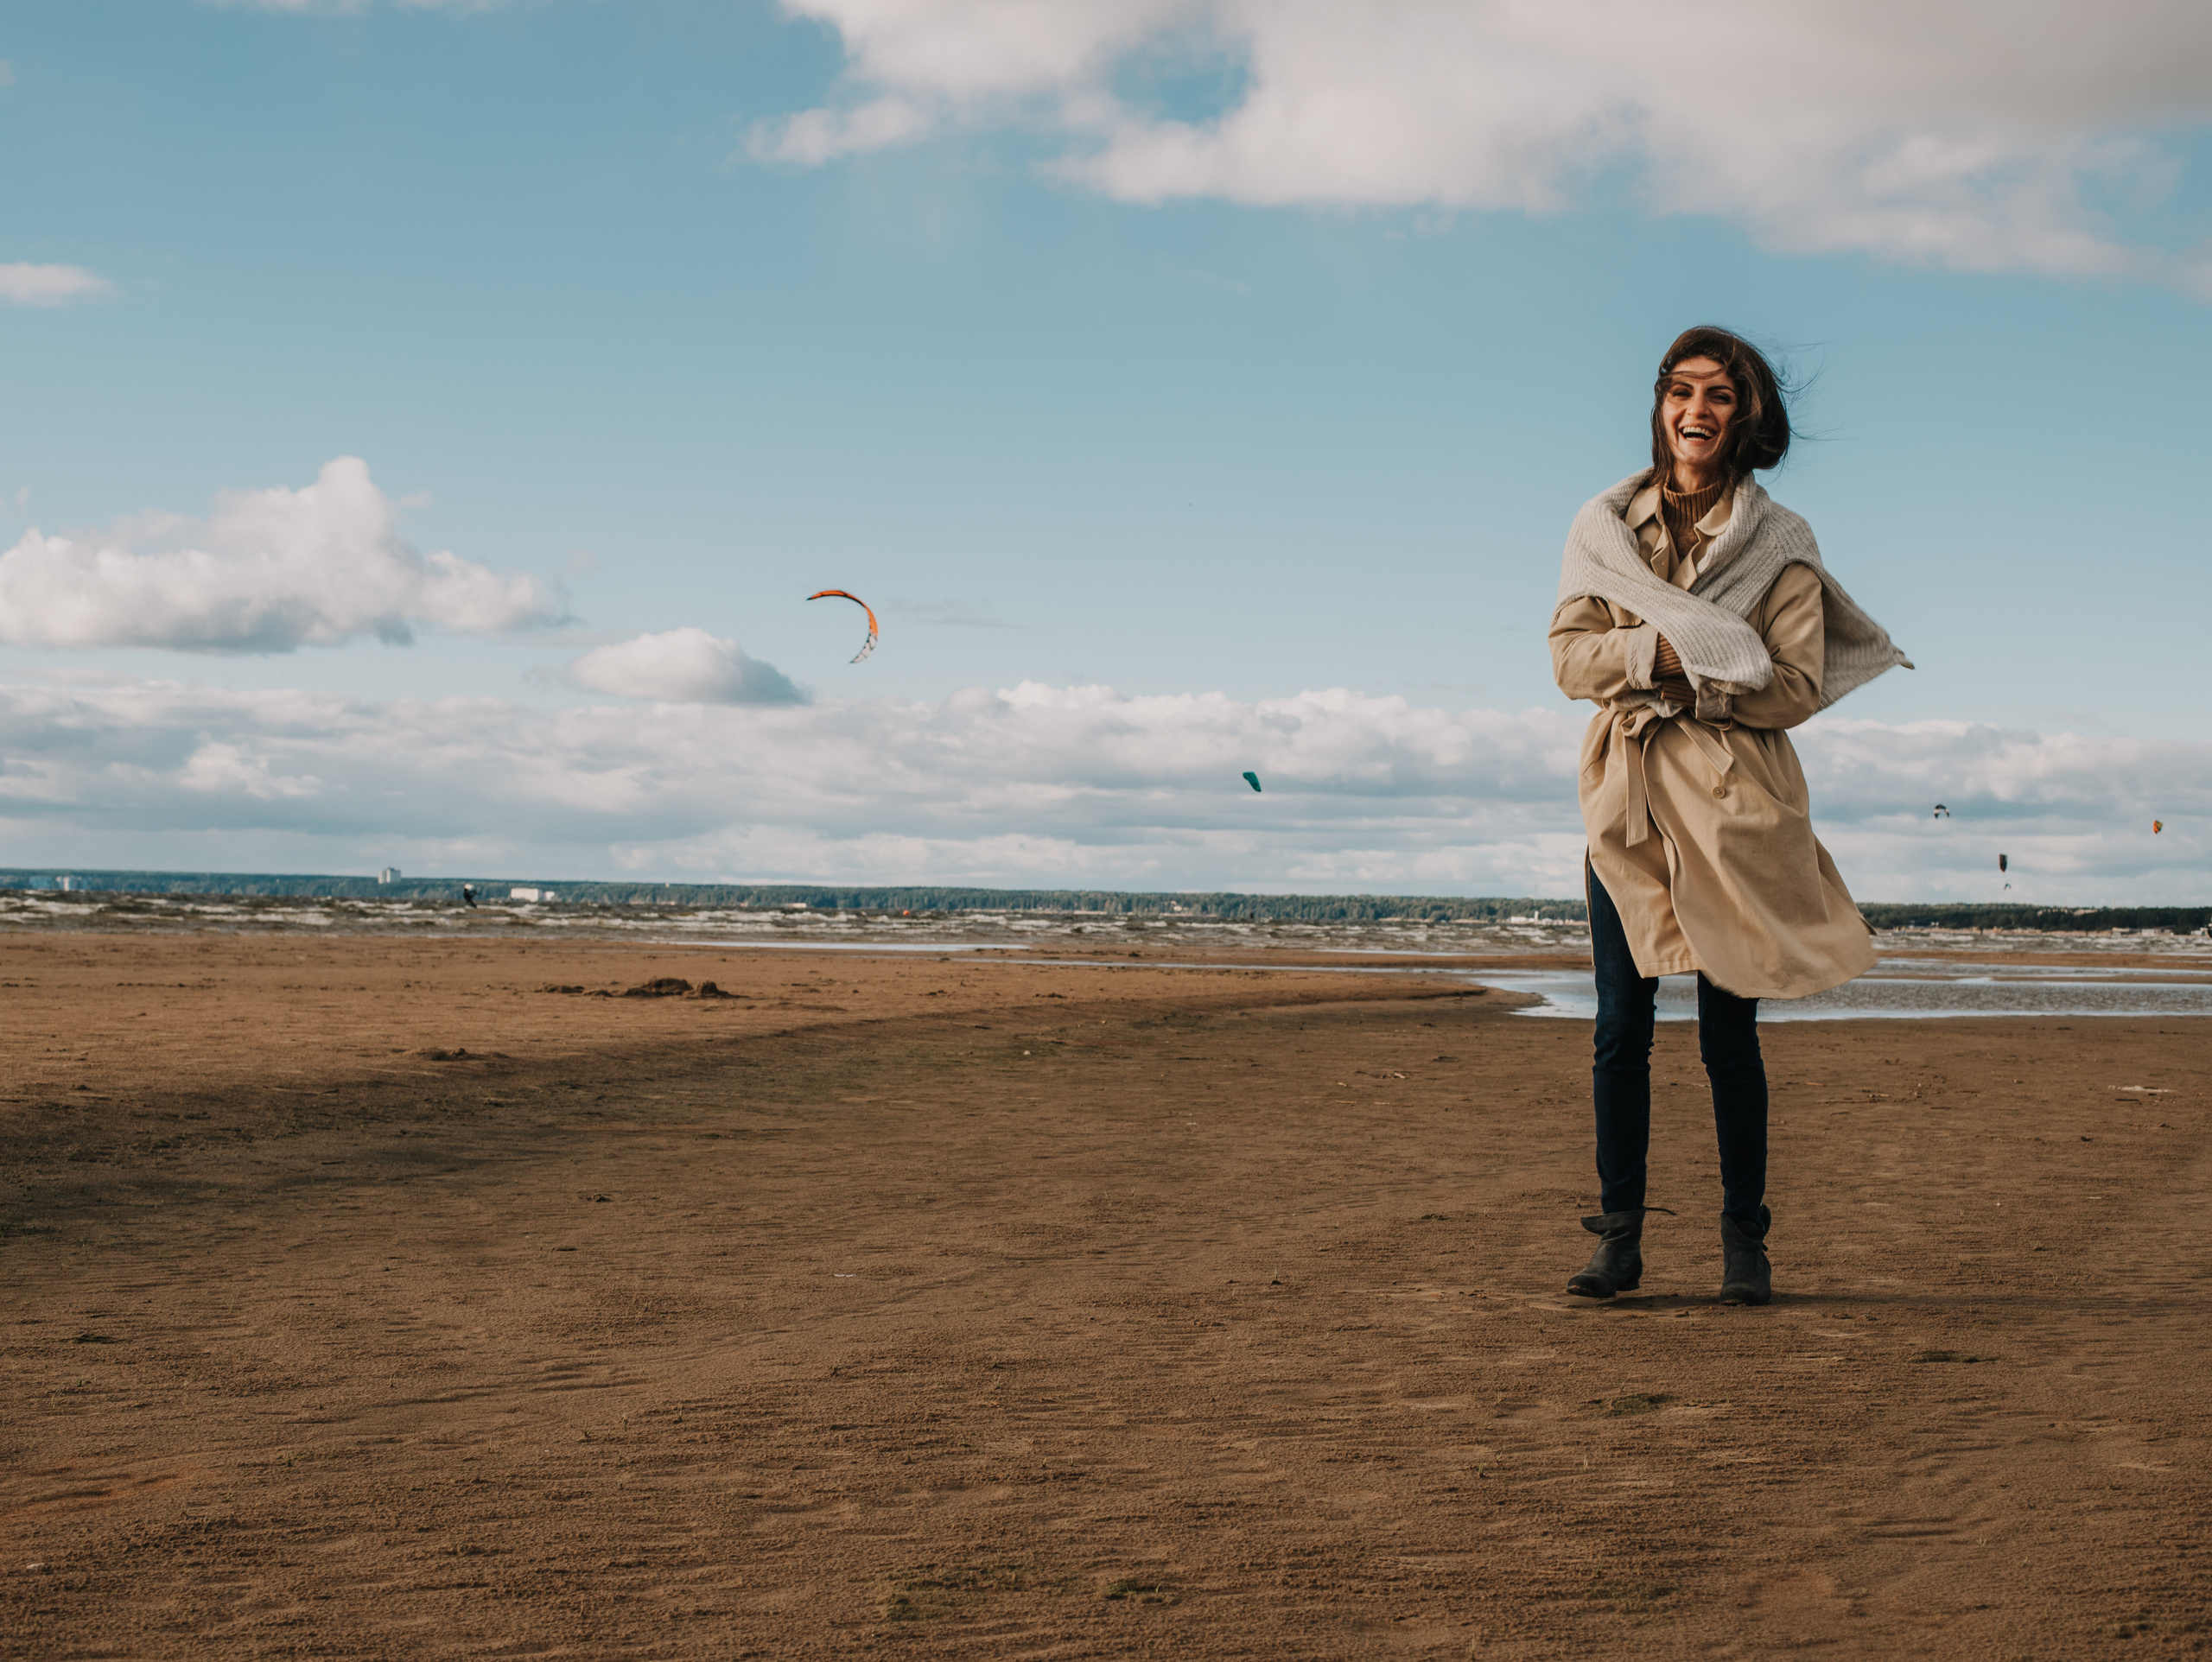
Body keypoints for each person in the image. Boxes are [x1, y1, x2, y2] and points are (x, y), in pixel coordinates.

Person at [1548, 327, 1910, 1306]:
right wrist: (1660, 658)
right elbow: (1569, 656)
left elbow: (1789, 683)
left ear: (1745, 417)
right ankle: (1617, 1241)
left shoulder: (1779, 543)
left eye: (1717, 395)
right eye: (1680, 391)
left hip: (1730, 807)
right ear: (1660, 404)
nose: (1695, 410)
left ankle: (1742, 1242)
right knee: (1620, 1028)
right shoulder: (1603, 530)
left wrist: (1692, 682)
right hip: (1626, 807)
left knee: (1726, 1035)